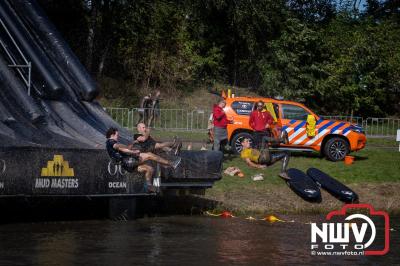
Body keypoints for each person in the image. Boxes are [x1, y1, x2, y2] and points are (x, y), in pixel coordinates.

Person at [105, 127, 181, 192]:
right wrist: (128, 148)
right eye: (117, 135)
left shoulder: (110, 143)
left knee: (149, 169)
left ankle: (149, 186)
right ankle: (171, 163)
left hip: (127, 166)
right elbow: (117, 146)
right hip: (128, 161)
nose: (118, 137)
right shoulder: (110, 142)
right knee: (149, 155)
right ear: (112, 135)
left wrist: (132, 151)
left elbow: (124, 150)